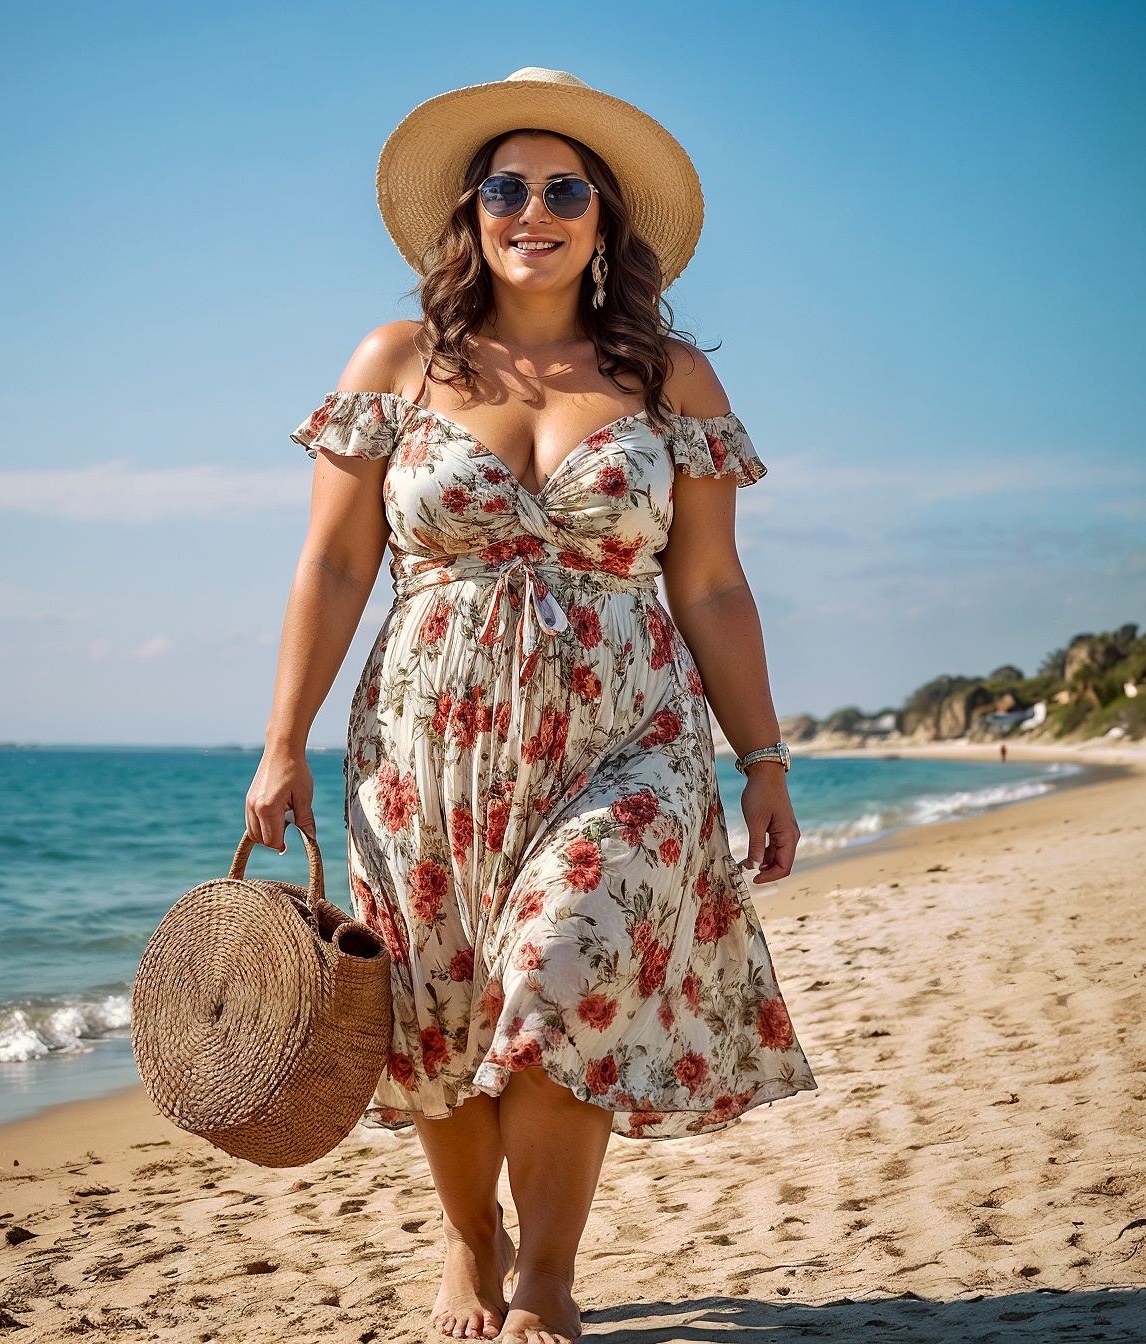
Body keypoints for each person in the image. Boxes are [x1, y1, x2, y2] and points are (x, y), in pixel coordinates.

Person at [246, 68, 818, 1344]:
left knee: (563, 970)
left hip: (631, 740)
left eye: (566, 188)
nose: (535, 208)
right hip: (428, 747)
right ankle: (470, 1245)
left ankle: (548, 1275)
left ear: (605, 218)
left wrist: (763, 761)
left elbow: (716, 586)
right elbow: (335, 566)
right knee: (441, 1000)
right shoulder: (396, 362)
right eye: (508, 185)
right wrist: (281, 744)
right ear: (473, 210)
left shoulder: (671, 380)